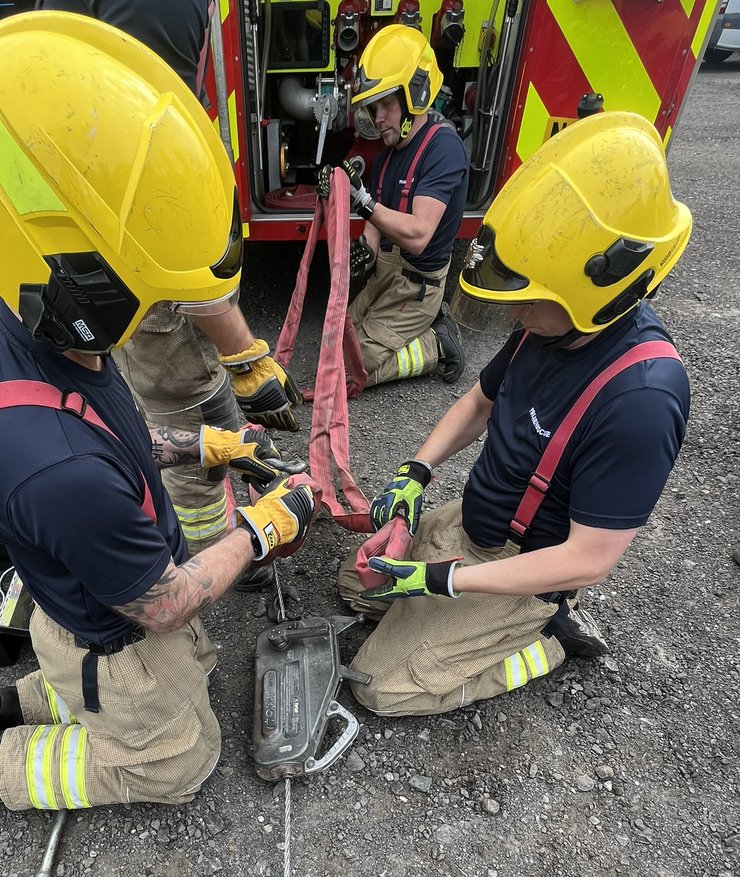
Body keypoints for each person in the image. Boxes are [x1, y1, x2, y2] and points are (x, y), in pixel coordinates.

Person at [0, 12, 315, 826]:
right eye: (154, 290)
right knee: (183, 760)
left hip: (84, 588)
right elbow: (163, 605)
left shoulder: (22, 324)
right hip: (112, 628)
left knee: (180, 668)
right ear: (86, 293)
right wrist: (269, 527)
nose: (172, 307)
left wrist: (214, 442)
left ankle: (25, 696)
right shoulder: (56, 471)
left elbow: (114, 441)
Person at [336, 110, 692, 716]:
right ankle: (452, 607)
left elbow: (590, 557)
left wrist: (447, 580)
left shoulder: (641, 400)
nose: (516, 315)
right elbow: (478, 401)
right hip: (477, 521)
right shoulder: (553, 323)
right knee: (354, 586)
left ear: (594, 294)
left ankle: (544, 639)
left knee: (381, 687)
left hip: (522, 565)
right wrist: (416, 472)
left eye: (529, 303)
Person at [37, 0, 303, 562]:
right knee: (183, 417)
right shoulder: (128, 129)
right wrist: (247, 356)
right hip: (146, 289)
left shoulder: (90, 87)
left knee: (204, 397)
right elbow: (173, 268)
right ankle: (217, 551)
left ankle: (254, 469)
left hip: (128, 271)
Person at [315, 24, 468, 389]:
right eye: (373, 107)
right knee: (331, 346)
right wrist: (360, 255)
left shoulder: (442, 150)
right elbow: (374, 233)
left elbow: (417, 235)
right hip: (388, 274)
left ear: (414, 95)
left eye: (386, 105)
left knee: (348, 372)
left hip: (418, 288)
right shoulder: (386, 160)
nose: (377, 117)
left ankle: (437, 344)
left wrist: (362, 201)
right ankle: (416, 335)